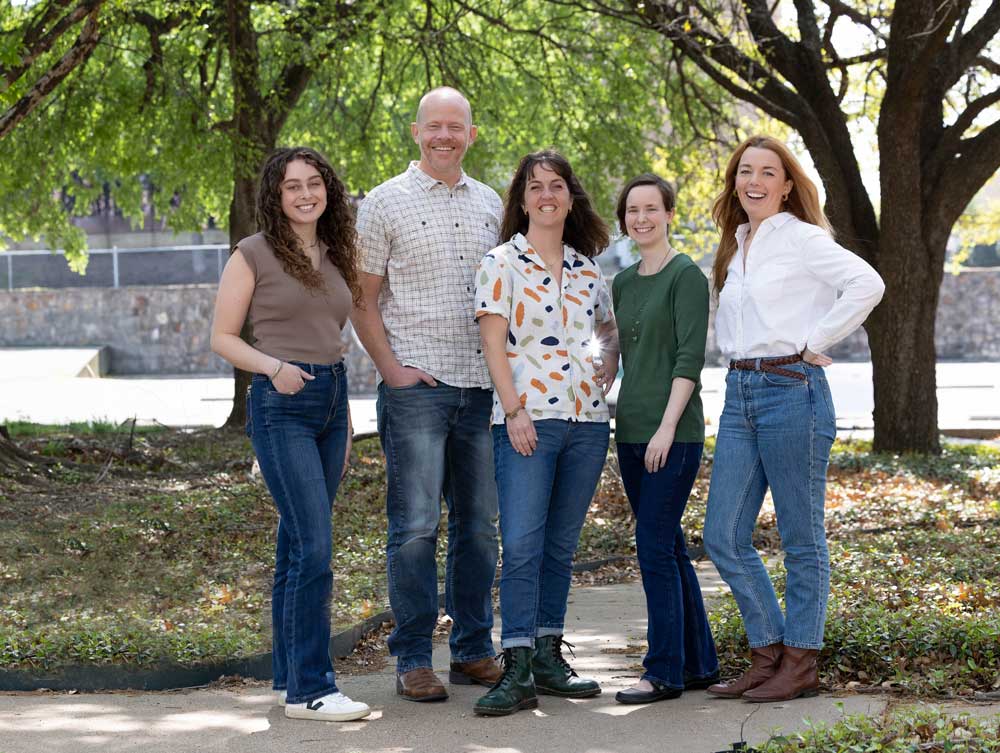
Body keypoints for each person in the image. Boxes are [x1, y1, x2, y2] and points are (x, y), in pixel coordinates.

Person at [702, 135, 884, 703]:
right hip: (740, 391)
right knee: (723, 535)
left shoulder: (804, 238)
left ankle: (800, 660)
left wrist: (816, 340)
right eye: (745, 171)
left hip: (792, 389)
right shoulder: (736, 245)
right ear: (736, 182)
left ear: (786, 186)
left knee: (801, 538)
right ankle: (768, 652)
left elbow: (867, 283)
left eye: (767, 172)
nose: (753, 180)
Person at [210, 147, 371, 722]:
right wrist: (273, 367)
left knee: (294, 548)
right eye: (291, 186)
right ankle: (313, 688)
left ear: (328, 188)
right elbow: (223, 337)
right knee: (314, 548)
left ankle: (287, 680)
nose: (305, 194)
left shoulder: (335, 252)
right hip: (281, 404)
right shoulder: (251, 254)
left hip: (330, 402)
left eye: (314, 183)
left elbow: (336, 340)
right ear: (275, 197)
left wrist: (345, 417)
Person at [353, 87, 502, 702]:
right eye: (433, 127)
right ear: (416, 132)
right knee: (414, 527)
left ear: (471, 134)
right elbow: (362, 299)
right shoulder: (383, 203)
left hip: (480, 389)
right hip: (417, 388)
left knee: (479, 528)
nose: (444, 136)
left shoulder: (493, 204)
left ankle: (471, 648)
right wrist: (390, 369)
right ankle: (413, 656)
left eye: (456, 127)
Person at [472, 149, 618, 716]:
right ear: (523, 199)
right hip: (528, 420)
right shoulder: (501, 262)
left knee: (559, 546)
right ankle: (517, 668)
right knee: (524, 545)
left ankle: (550, 658)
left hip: (587, 423)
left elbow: (605, 328)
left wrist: (608, 366)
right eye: (535, 187)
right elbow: (492, 342)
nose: (547, 195)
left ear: (570, 196)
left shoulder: (587, 268)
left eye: (556, 185)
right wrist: (514, 410)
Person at [609, 174, 720, 705]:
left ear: (669, 213)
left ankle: (662, 672)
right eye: (633, 210)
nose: (642, 218)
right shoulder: (625, 282)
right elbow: (621, 355)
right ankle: (697, 663)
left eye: (651, 208)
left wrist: (668, 427)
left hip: (671, 434)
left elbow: (688, 359)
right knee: (670, 548)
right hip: (628, 429)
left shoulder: (686, 277)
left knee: (653, 547)